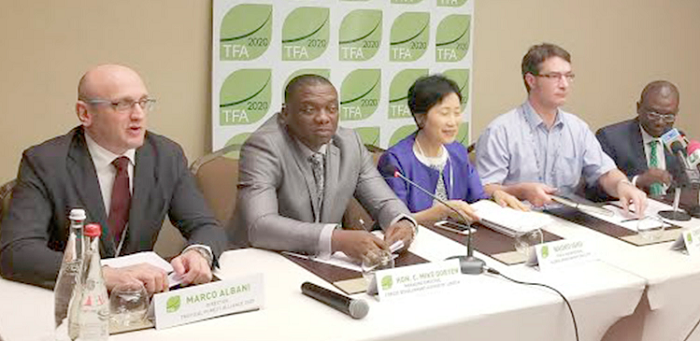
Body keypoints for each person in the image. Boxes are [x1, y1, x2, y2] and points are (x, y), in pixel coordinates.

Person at [0, 64, 227, 295]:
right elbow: (16, 251)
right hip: (70, 301)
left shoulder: (166, 156)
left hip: (140, 300)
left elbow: (205, 225)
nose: (138, 114)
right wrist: (98, 274)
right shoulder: (45, 162)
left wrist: (199, 252)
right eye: (122, 104)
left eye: (143, 102)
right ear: (85, 113)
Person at [229, 74, 416, 262]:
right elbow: (260, 226)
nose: (323, 118)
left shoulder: (350, 143)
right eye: (309, 110)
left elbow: (383, 201)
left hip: (322, 261)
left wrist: (402, 222)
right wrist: (335, 239)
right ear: (285, 113)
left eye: (332, 109)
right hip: (266, 259)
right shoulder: (263, 147)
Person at [475, 43, 647, 215]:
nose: (564, 84)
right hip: (516, 219)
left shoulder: (577, 128)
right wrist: (521, 191)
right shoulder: (501, 130)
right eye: (554, 76)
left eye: (568, 76)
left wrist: (623, 185)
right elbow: (484, 190)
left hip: (566, 219)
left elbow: (605, 172)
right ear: (531, 80)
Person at [378, 75, 526, 227]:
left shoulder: (457, 152)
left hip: (456, 237)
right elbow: (396, 219)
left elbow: (477, 199)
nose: (452, 122)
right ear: (420, 117)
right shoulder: (395, 160)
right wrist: (442, 211)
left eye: (456, 113)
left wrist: (494, 196)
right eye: (444, 113)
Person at [595, 81, 683, 197]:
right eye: (653, 114)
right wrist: (638, 180)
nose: (660, 122)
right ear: (638, 108)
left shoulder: (675, 140)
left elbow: (685, 184)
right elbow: (594, 189)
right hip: (629, 210)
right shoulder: (610, 138)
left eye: (669, 116)